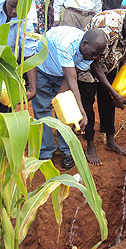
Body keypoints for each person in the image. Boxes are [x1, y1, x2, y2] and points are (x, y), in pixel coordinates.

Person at [26, 26, 107, 170]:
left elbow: (70, 77)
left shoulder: (91, 53)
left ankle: (66, 151)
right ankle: (46, 152)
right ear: (84, 44)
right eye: (93, 54)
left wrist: (59, 97)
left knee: (65, 110)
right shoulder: (66, 44)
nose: (94, 58)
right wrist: (82, 112)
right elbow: (72, 80)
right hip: (43, 69)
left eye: (97, 56)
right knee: (43, 111)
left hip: (62, 74)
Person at [78, 7, 126, 165]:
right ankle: (90, 144)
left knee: (108, 101)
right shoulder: (108, 28)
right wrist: (113, 92)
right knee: (87, 104)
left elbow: (124, 53)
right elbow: (93, 61)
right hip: (88, 62)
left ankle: (110, 140)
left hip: (109, 62)